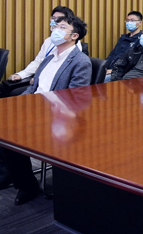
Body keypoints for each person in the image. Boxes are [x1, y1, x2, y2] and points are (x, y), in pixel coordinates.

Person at [0, 15, 92, 205]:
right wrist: (19, 104)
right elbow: (34, 88)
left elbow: (74, 99)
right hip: (34, 108)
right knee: (4, 130)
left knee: (11, 134)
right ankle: (17, 178)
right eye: (56, 26)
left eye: (62, 27)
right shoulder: (49, 58)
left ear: (74, 36)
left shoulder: (80, 61)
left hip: (57, 116)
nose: (56, 29)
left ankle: (26, 185)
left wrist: (38, 109)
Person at [6, 6, 86, 83]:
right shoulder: (48, 41)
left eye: (60, 20)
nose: (56, 21)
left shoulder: (74, 46)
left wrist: (39, 78)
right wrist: (22, 74)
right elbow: (38, 61)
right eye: (54, 18)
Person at [104, 11, 143, 82]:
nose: (129, 22)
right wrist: (104, 67)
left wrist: (113, 70)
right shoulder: (123, 38)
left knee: (102, 80)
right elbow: (112, 54)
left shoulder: (141, 40)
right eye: (127, 20)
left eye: (132, 20)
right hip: (110, 69)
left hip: (122, 72)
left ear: (140, 22)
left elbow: (133, 62)